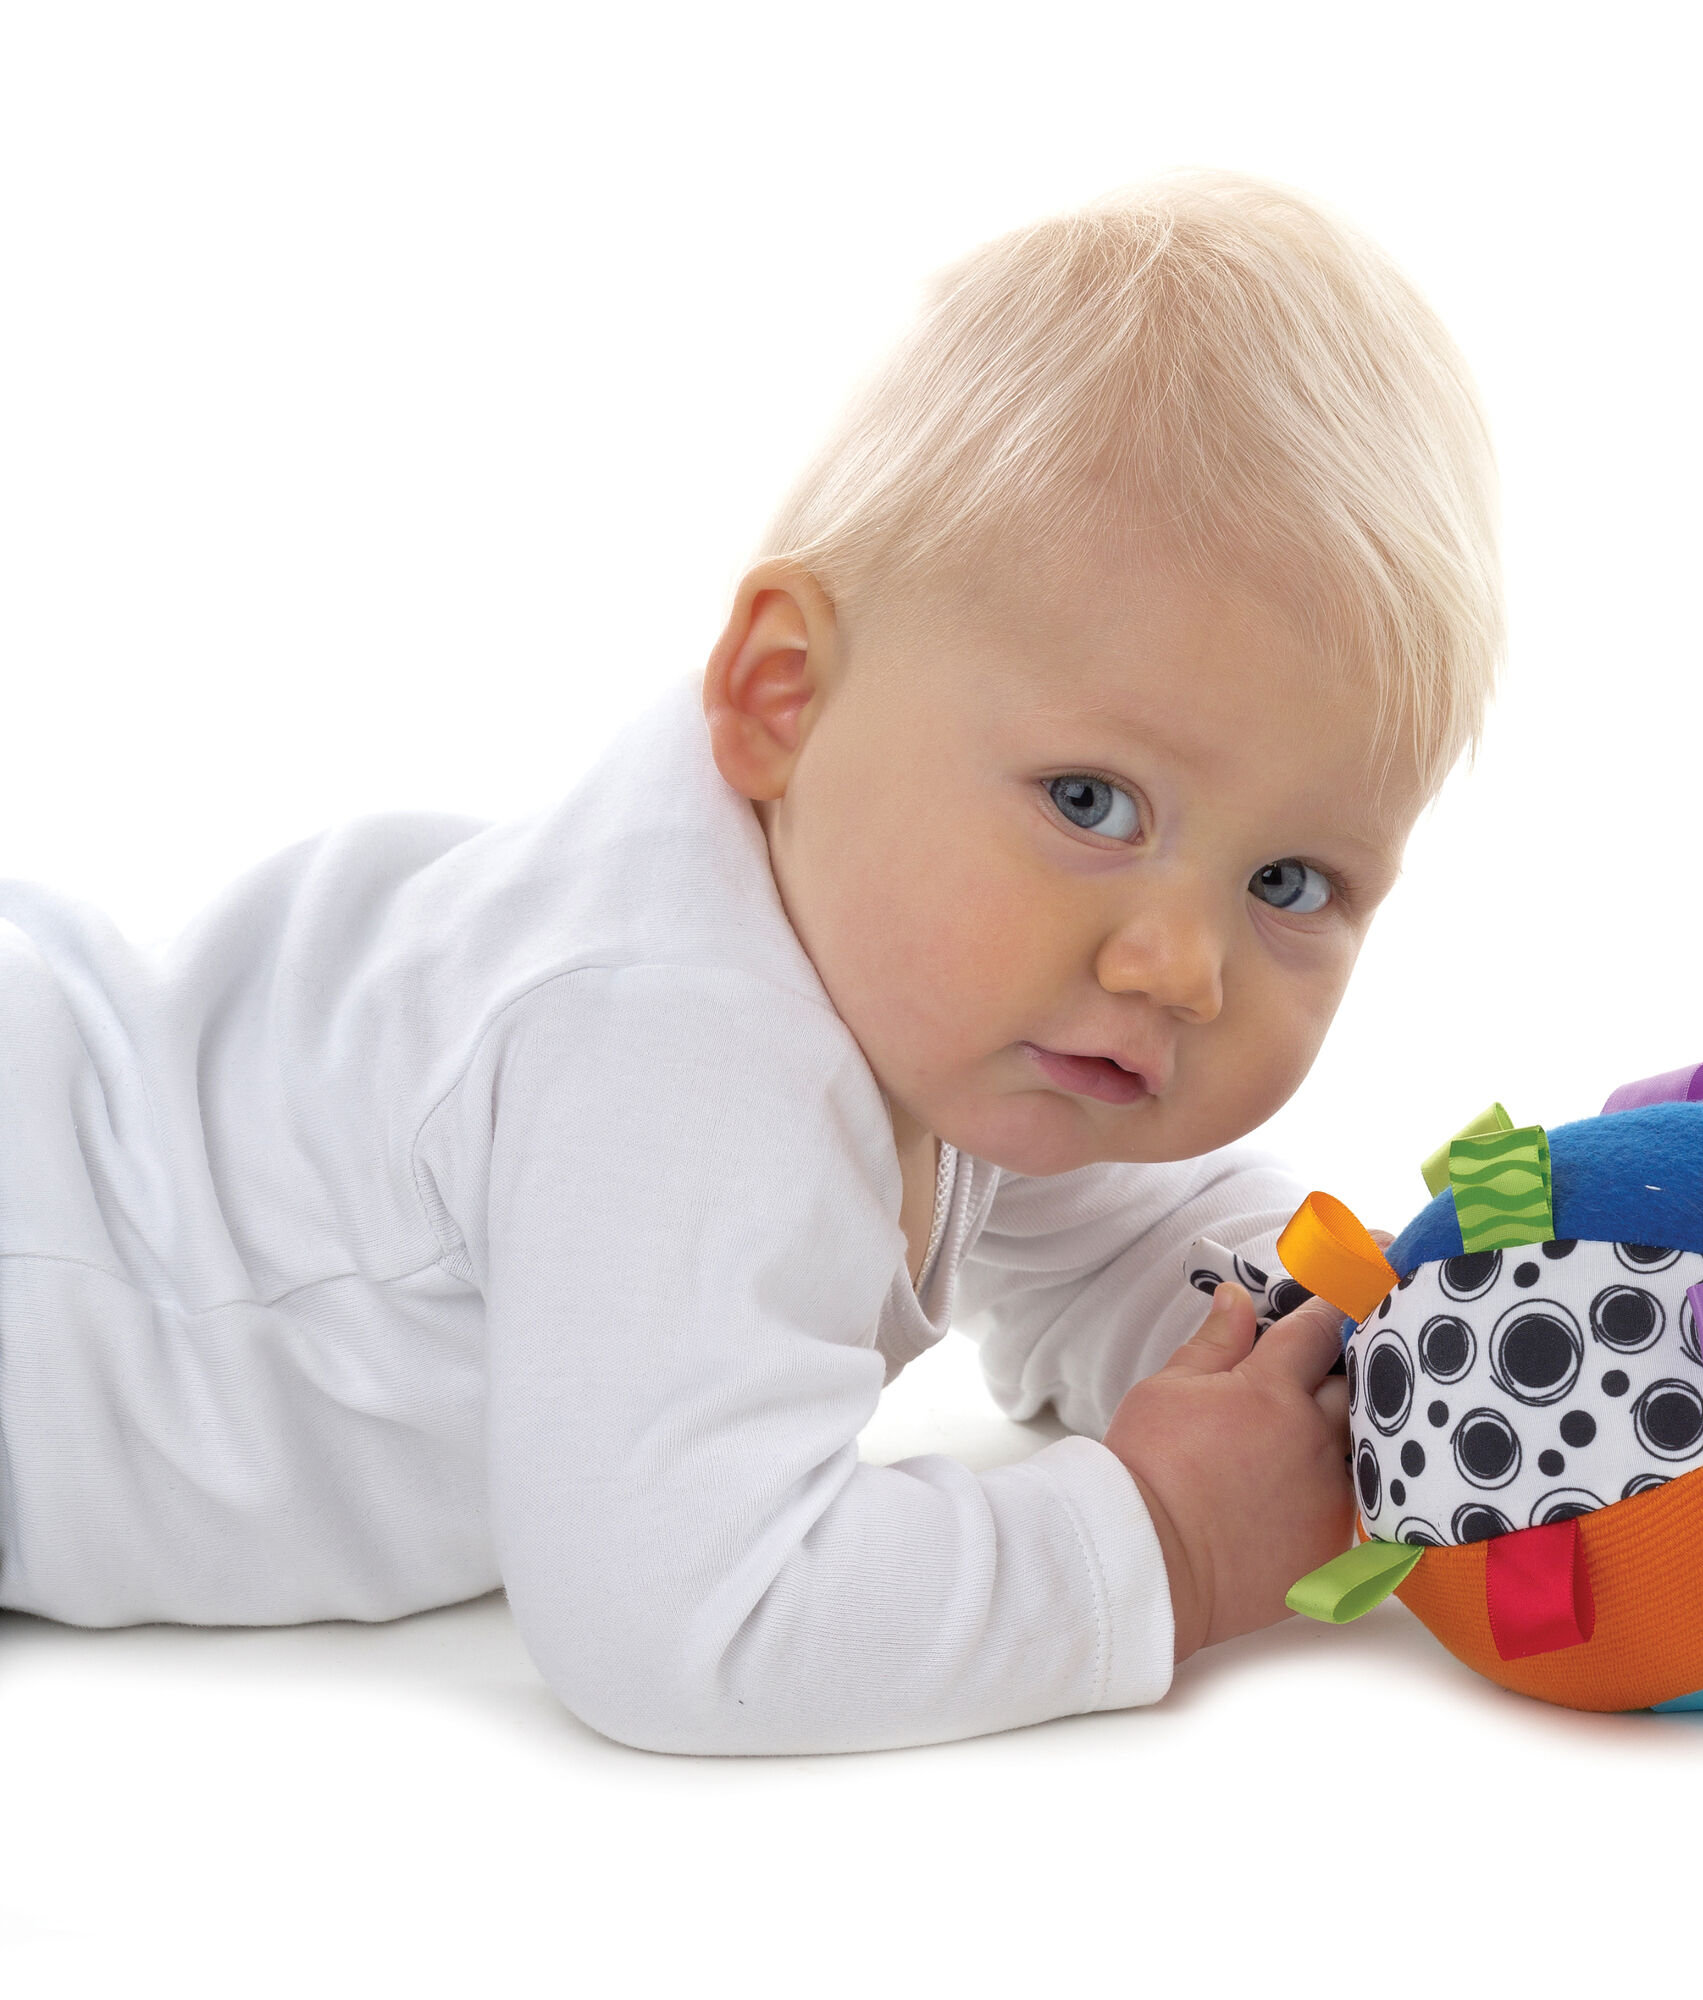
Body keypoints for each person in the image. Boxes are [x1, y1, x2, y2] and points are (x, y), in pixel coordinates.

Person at [0, 170, 1502, 1753]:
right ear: (784, 700)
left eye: (1288, 883)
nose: (1179, 967)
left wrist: (1367, 1361)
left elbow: (1134, 1242)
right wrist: (1166, 1545)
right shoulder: (674, 1047)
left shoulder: (952, 983)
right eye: (1089, 802)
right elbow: (692, 1617)